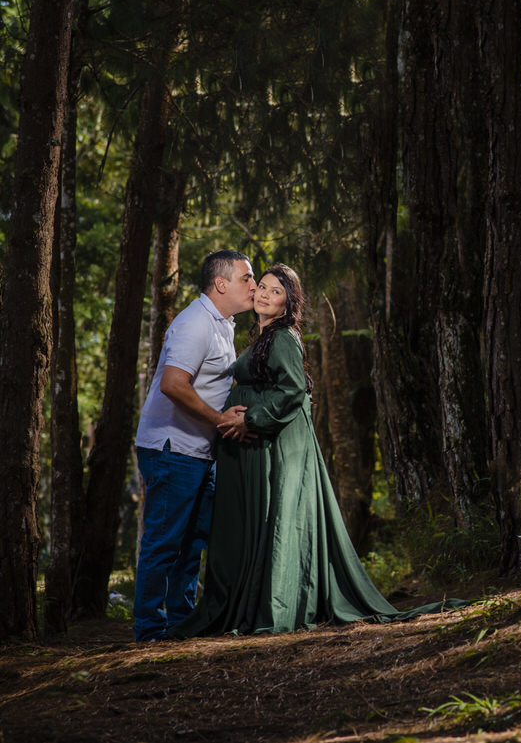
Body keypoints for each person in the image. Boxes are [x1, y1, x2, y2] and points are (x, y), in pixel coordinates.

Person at [168, 264, 402, 637]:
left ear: (288, 303)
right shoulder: (260, 336)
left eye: (276, 292)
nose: (263, 294)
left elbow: (294, 392)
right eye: (261, 286)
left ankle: (274, 603)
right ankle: (241, 600)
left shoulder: (282, 338)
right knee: (250, 523)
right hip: (251, 447)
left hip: (270, 442)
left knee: (274, 519)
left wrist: (251, 419)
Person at [133, 249, 257, 642]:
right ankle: (149, 631)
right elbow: (173, 384)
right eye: (246, 279)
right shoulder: (194, 323)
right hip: (172, 448)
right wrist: (221, 419)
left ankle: (179, 624)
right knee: (165, 541)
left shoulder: (224, 323)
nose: (254, 286)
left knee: (191, 544)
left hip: (199, 451)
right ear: (221, 284)